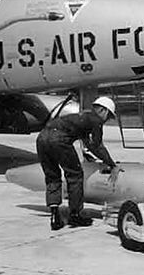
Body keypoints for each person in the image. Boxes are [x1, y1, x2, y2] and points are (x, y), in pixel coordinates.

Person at [36, 96, 120, 230]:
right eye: (109, 116)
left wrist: (105, 160)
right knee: (75, 175)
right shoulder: (96, 120)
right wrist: (112, 164)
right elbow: (97, 146)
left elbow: (89, 144)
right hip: (59, 140)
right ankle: (75, 215)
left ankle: (54, 216)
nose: (107, 120)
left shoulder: (82, 117)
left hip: (41, 138)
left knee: (52, 176)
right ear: (103, 111)